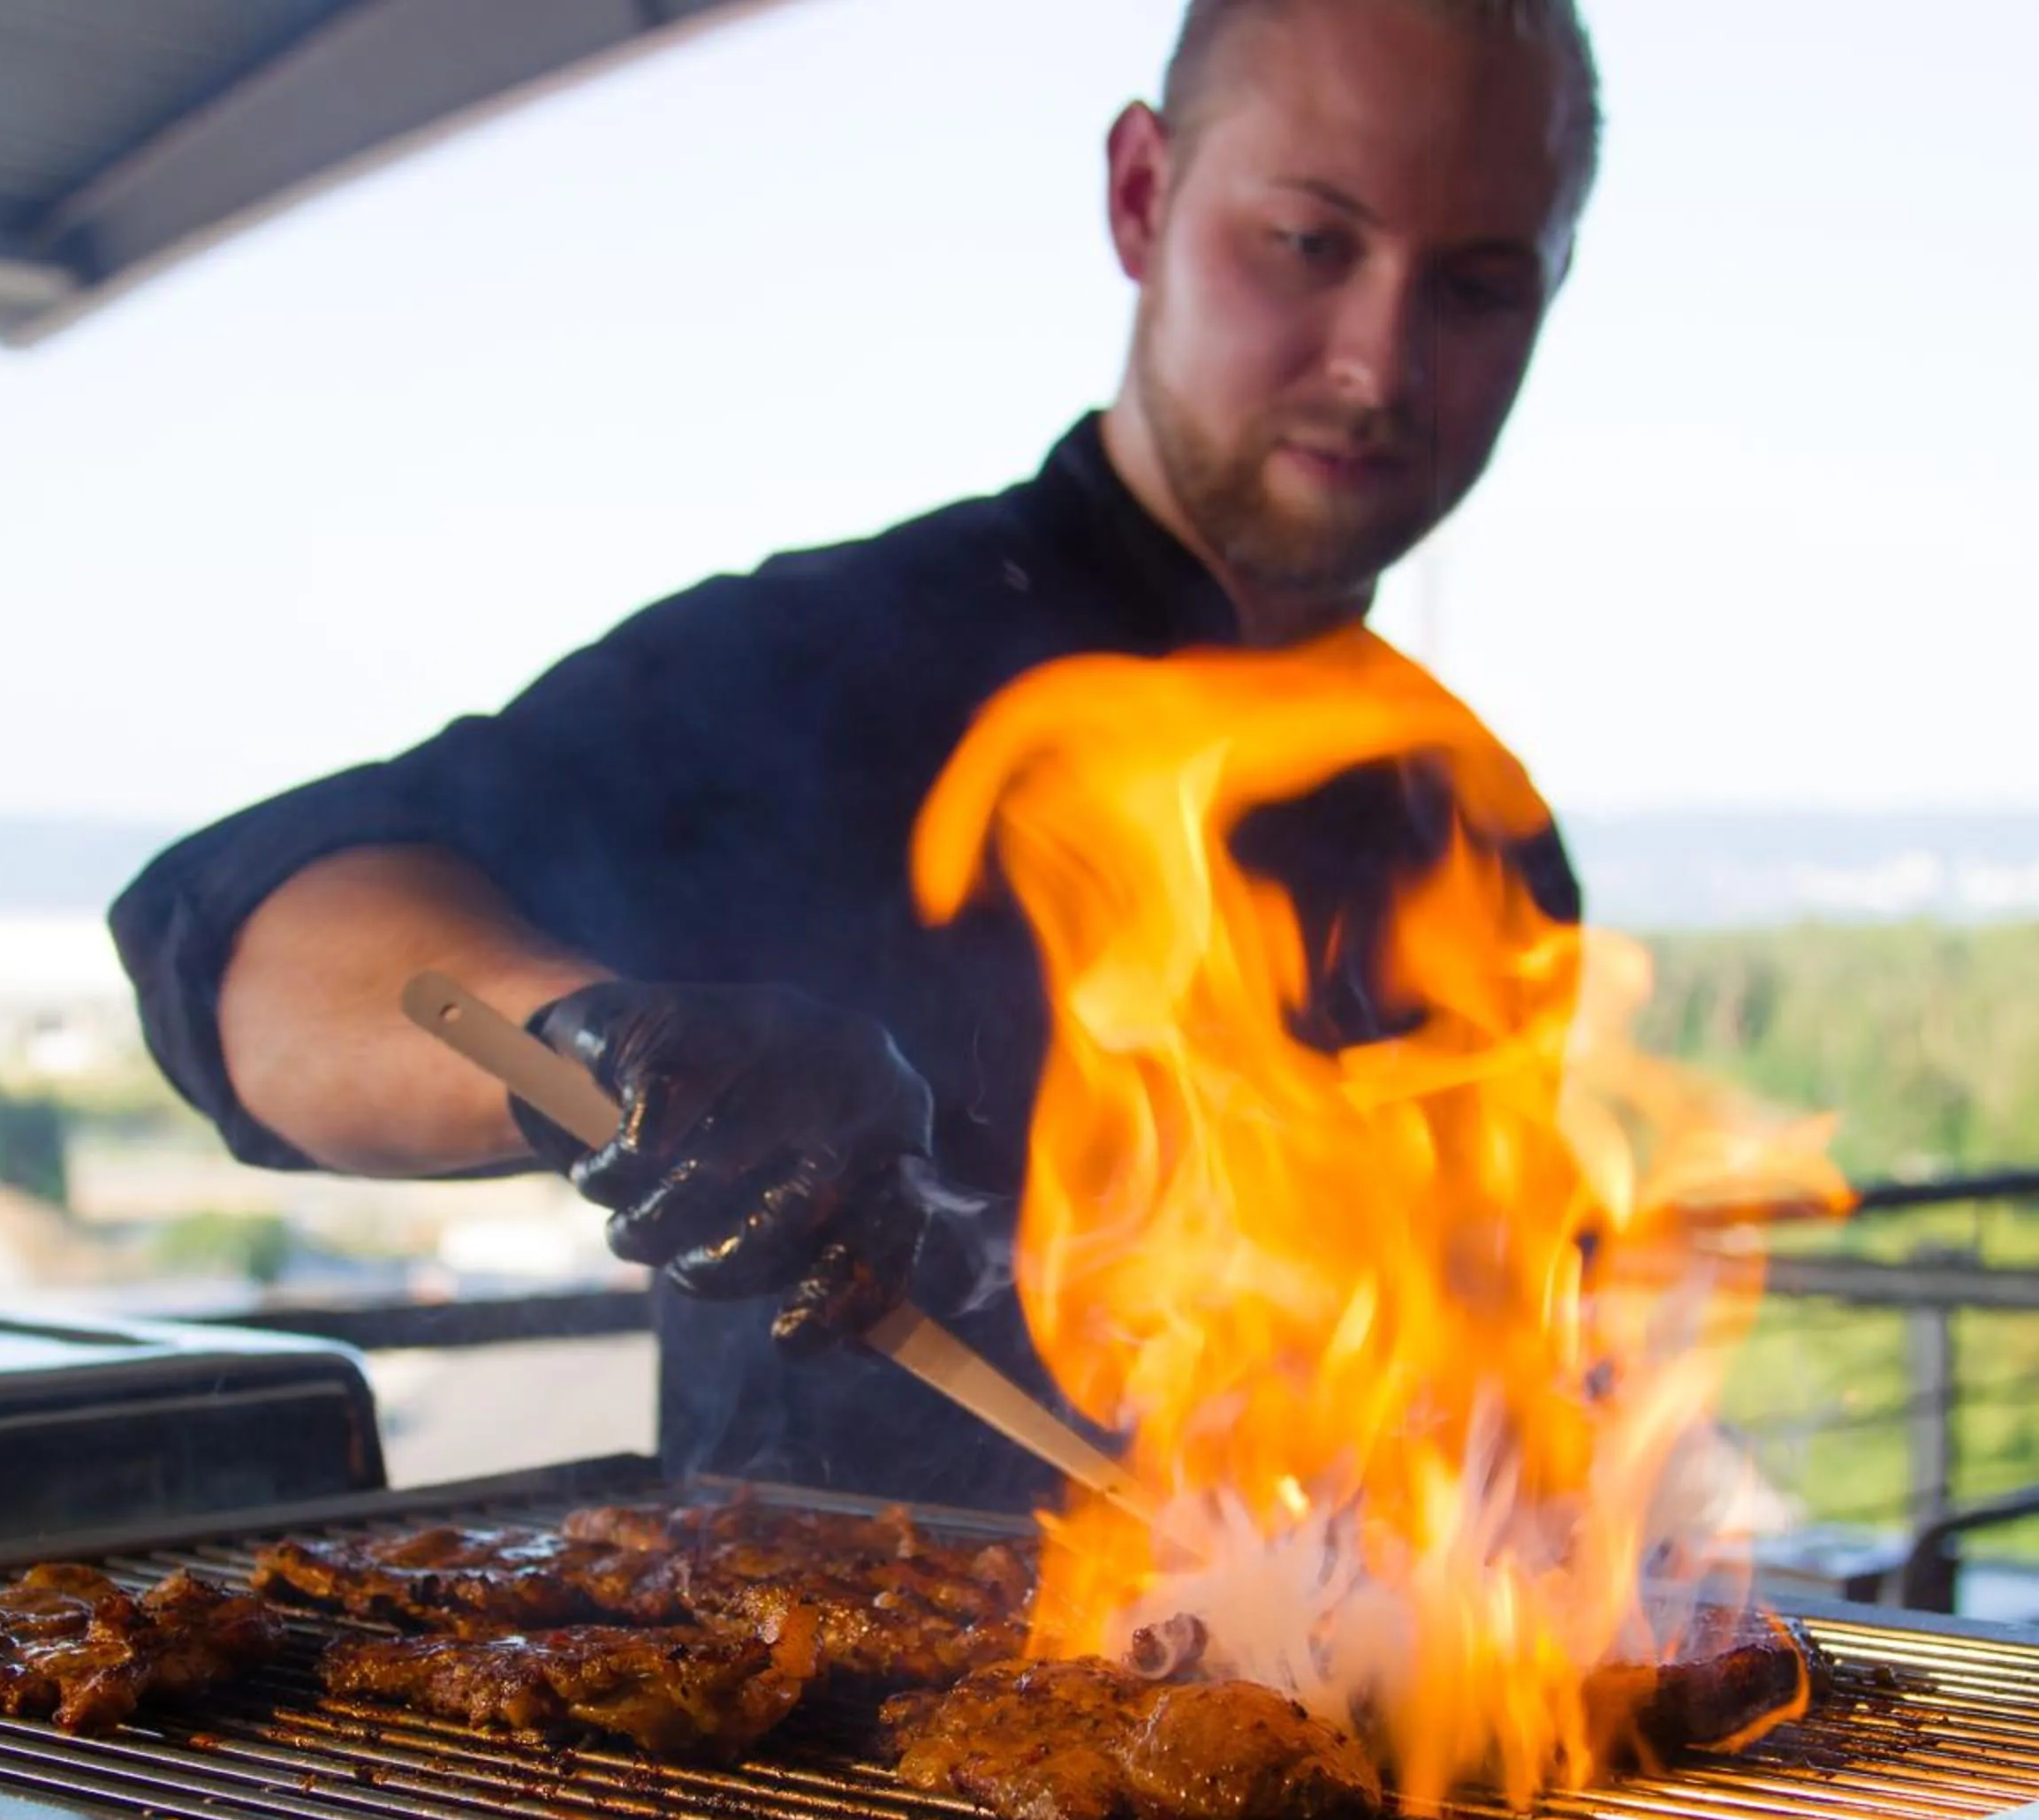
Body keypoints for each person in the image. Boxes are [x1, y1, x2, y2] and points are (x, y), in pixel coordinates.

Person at [111, 0, 1602, 1507]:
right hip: (809, 1651)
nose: (1379, 364)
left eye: (1478, 286)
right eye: (1308, 243)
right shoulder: (820, 670)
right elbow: (247, 951)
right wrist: (596, 1043)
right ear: (1143, 194)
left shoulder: (1482, 828)